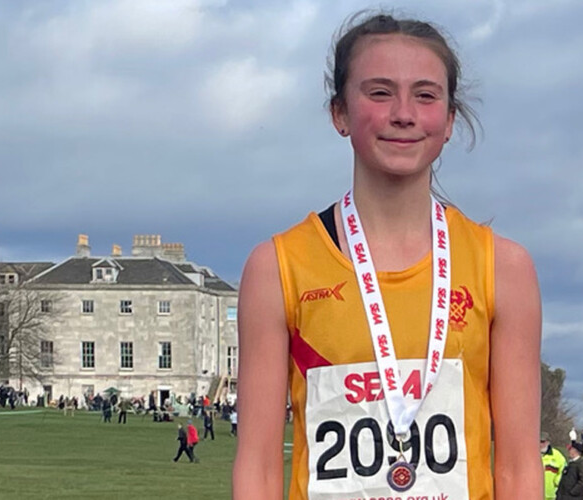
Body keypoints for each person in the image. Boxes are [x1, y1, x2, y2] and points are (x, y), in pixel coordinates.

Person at [232, 11, 543, 500]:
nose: (404, 113)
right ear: (339, 113)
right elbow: (259, 469)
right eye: (379, 93)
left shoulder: (503, 268)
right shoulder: (276, 268)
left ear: (449, 120)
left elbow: (519, 470)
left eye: (426, 95)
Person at [541, 432, 567, 499]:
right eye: (538, 441)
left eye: (542, 442)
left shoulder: (557, 456)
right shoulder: (530, 454)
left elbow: (564, 471)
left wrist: (557, 482)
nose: (540, 444)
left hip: (551, 496)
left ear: (548, 442)